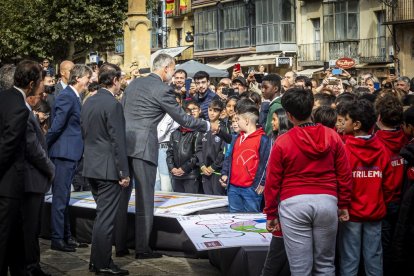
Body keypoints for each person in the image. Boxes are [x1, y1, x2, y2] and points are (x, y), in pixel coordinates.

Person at [121, 53, 211, 259]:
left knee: (122, 196)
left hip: (125, 145)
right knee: (145, 198)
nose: (174, 75)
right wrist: (206, 125)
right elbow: (184, 119)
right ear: (167, 69)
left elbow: (122, 110)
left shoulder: (133, 84)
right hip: (144, 147)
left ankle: (121, 245)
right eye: (173, 70)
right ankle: (142, 249)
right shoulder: (163, 89)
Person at [264, 87, 352, 276]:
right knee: (325, 265)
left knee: (300, 268)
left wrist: (271, 213)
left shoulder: (283, 141)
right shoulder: (332, 136)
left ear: (288, 115)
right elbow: (344, 173)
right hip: (327, 202)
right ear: (312, 107)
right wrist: (343, 203)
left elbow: (272, 181)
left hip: (294, 204)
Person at [81, 63, 130, 275]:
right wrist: (124, 173)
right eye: (120, 80)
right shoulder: (113, 104)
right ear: (114, 80)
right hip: (109, 170)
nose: (121, 84)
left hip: (91, 166)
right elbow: (118, 141)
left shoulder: (88, 102)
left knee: (102, 217)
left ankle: (96, 261)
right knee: (106, 219)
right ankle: (102, 263)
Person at [337, 99, 393, 276]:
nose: (342, 123)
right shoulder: (382, 150)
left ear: (356, 125)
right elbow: (389, 185)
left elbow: (342, 182)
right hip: (375, 213)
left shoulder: (345, 151)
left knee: (349, 258)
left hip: (351, 214)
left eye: (345, 120)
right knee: (374, 256)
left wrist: (342, 206)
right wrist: (381, 203)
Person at [0, 60, 42, 275]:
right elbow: (7, 146)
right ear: (32, 83)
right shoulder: (19, 107)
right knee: (6, 238)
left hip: (9, 184)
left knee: (14, 239)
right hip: (8, 185)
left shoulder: (4, 97)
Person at [46, 64, 92, 252]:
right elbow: (56, 126)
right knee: (60, 198)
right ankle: (58, 239)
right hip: (63, 154)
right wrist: (45, 145)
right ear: (79, 78)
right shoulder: (67, 96)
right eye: (88, 77)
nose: (90, 80)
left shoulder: (74, 96)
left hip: (70, 154)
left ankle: (66, 236)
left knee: (65, 197)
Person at [23, 73, 55, 276]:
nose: (44, 96)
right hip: (30, 179)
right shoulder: (25, 115)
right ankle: (30, 266)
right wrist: (51, 169)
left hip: (31, 178)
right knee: (29, 227)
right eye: (41, 93)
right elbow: (33, 148)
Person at [374, 94, 407, 275]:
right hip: (404, 202)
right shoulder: (406, 138)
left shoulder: (375, 142)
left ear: (378, 117)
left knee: (384, 248)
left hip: (384, 202)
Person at [220, 99, 271, 212]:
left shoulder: (263, 139)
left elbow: (266, 163)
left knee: (251, 222)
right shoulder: (237, 138)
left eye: (238, 119)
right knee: (234, 218)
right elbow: (229, 158)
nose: (235, 122)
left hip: (251, 190)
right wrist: (225, 173)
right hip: (233, 187)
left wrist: (261, 183)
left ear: (247, 120)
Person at [166, 100, 201, 194]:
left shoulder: (197, 132)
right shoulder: (175, 133)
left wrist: (184, 169)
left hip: (191, 175)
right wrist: (172, 168)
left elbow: (197, 154)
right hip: (176, 175)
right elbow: (169, 152)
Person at [196, 99, 227, 195]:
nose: (212, 113)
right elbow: (198, 148)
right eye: (210, 110)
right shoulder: (203, 127)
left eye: (215, 110)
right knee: (207, 199)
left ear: (221, 112)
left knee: (218, 200)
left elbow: (224, 151)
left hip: (217, 171)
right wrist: (202, 165)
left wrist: (214, 166)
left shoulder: (223, 128)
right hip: (204, 170)